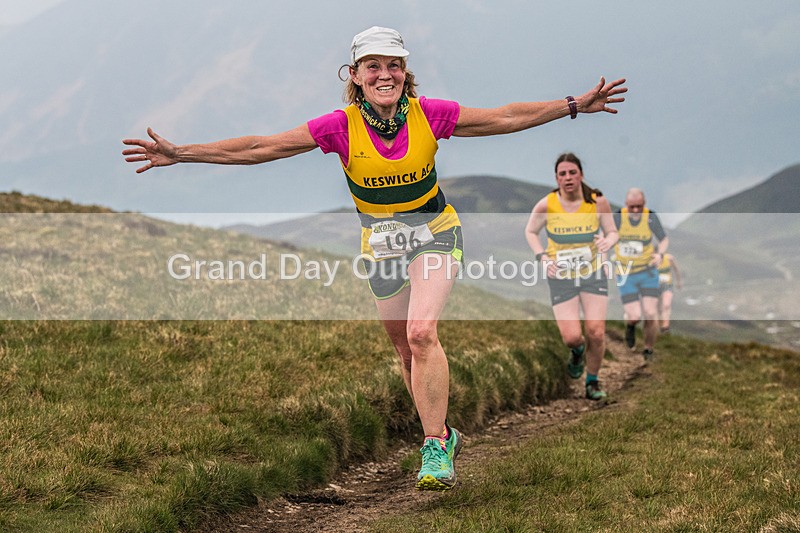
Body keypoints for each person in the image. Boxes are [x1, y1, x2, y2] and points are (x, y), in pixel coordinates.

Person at [123, 26, 627, 491]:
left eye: (394, 65)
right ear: (355, 77)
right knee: (406, 354)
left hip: (435, 233)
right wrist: (184, 153)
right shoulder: (339, 127)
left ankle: (433, 446)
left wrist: (573, 105)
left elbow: (504, 116)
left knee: (421, 333)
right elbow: (263, 146)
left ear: (405, 73)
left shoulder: (430, 114)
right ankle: (445, 432)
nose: (384, 74)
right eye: (373, 66)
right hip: (381, 247)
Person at [525, 153, 619, 401]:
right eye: (562, 174)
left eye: (572, 173)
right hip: (561, 276)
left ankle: (592, 381)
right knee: (572, 337)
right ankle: (577, 352)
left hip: (593, 273)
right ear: (556, 178)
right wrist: (542, 257)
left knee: (596, 332)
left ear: (581, 175)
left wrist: (607, 241)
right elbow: (531, 231)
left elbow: (612, 231)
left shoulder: (597, 202)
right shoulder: (547, 204)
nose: (567, 178)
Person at [612, 188, 669, 360]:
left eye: (639, 206)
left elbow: (664, 239)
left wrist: (659, 254)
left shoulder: (650, 217)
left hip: (648, 272)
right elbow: (605, 236)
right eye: (632, 207)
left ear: (644, 204)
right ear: (626, 205)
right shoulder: (617, 218)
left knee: (650, 313)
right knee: (635, 316)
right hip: (625, 273)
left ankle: (648, 349)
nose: (636, 210)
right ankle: (630, 326)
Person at [657, 252, 682, 334]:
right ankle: (659, 325)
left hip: (667, 285)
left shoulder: (669, 258)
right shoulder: (650, 260)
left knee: (666, 305)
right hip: (655, 287)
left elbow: (676, 269)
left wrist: (679, 282)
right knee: (659, 307)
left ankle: (665, 327)